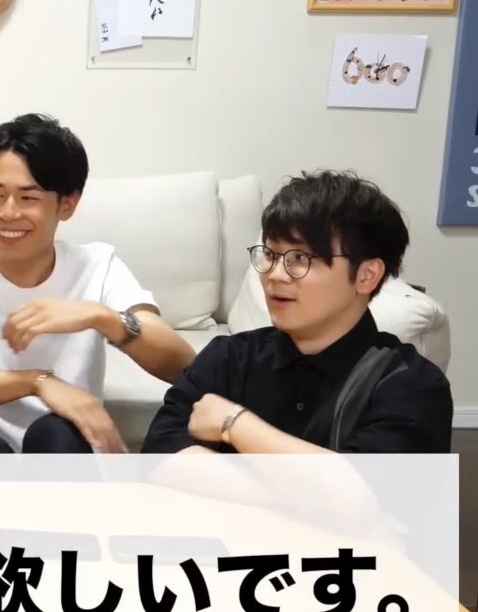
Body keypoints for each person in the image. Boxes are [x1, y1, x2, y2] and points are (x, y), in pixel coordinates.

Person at [0, 113, 195, 454]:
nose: (7, 213)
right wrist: (37, 382)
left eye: (28, 198)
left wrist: (100, 316)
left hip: (63, 459)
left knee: (57, 433)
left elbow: (185, 367)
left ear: (68, 204)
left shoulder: (97, 267)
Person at [141, 170, 453, 456]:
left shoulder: (412, 384)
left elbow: (367, 490)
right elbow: (159, 458)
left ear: (366, 276)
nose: (275, 275)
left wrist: (234, 424)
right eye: (270, 254)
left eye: (301, 258)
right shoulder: (229, 359)